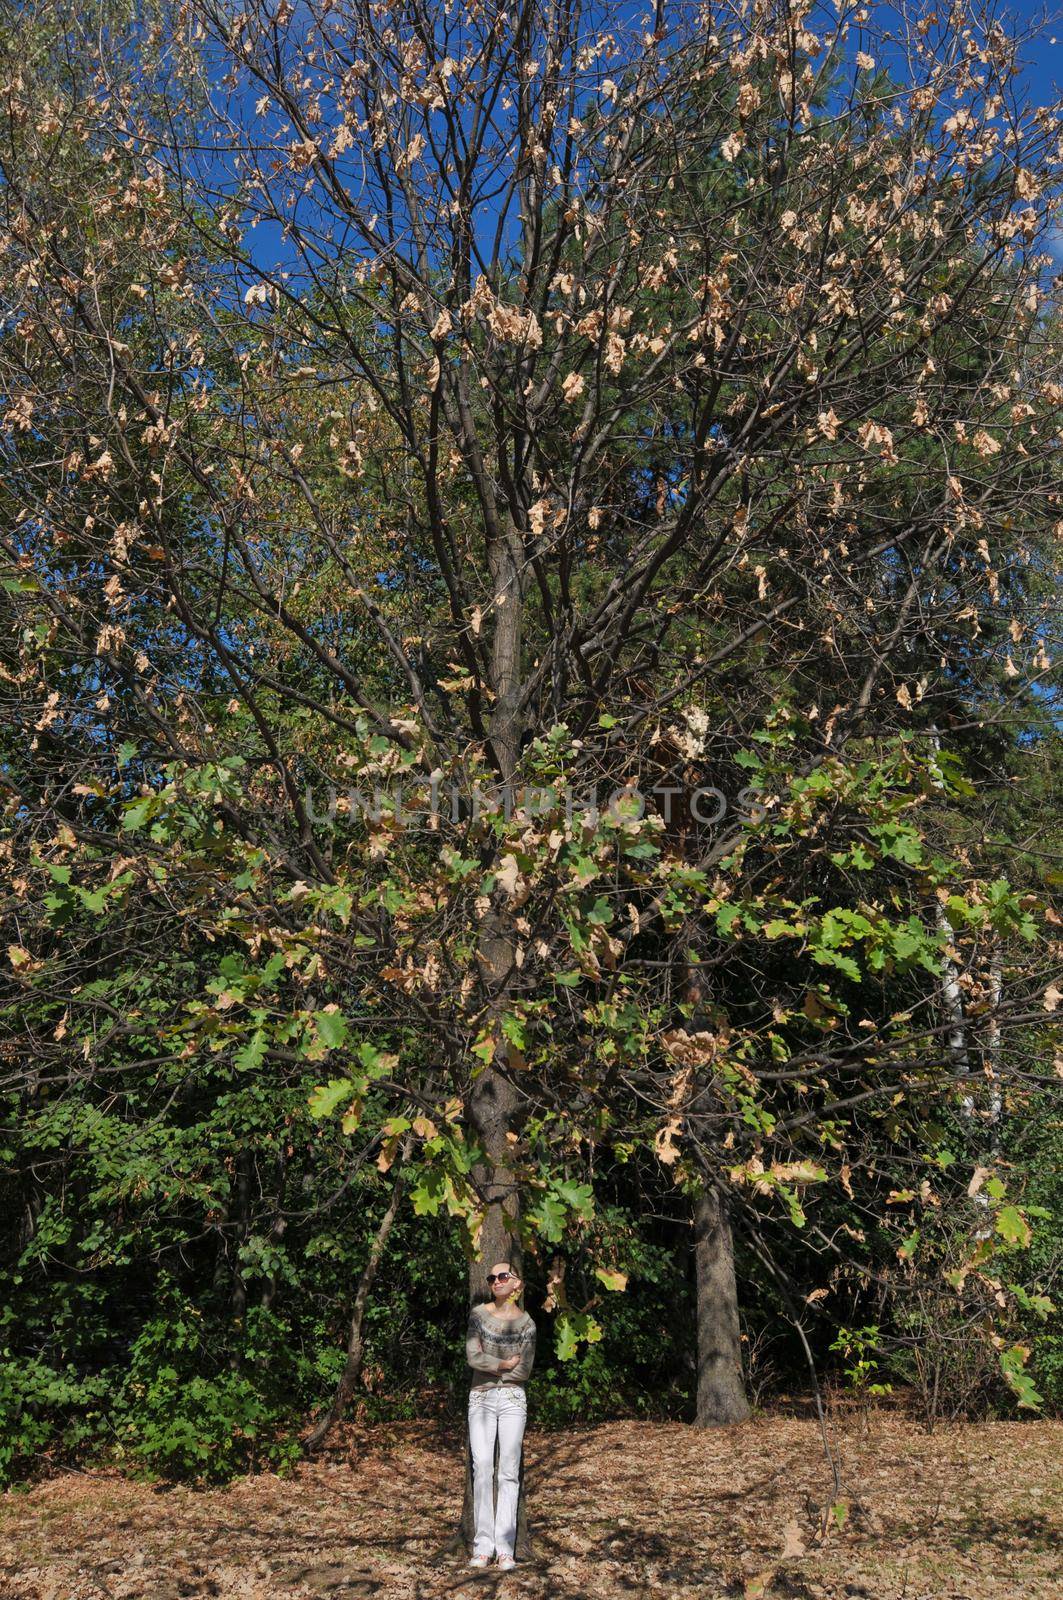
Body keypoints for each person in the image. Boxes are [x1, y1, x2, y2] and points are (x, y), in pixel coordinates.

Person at [464, 1261, 536, 1570]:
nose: (496, 1281)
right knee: (482, 1467)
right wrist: (503, 1365)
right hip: (480, 1397)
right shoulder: (478, 1316)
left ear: (517, 1283)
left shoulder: (527, 1323)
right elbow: (472, 1356)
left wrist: (496, 1366)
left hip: (512, 1399)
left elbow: (525, 1368)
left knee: (508, 1471)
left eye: (502, 1276)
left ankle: (506, 1549)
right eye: (492, 1277)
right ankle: (483, 1547)